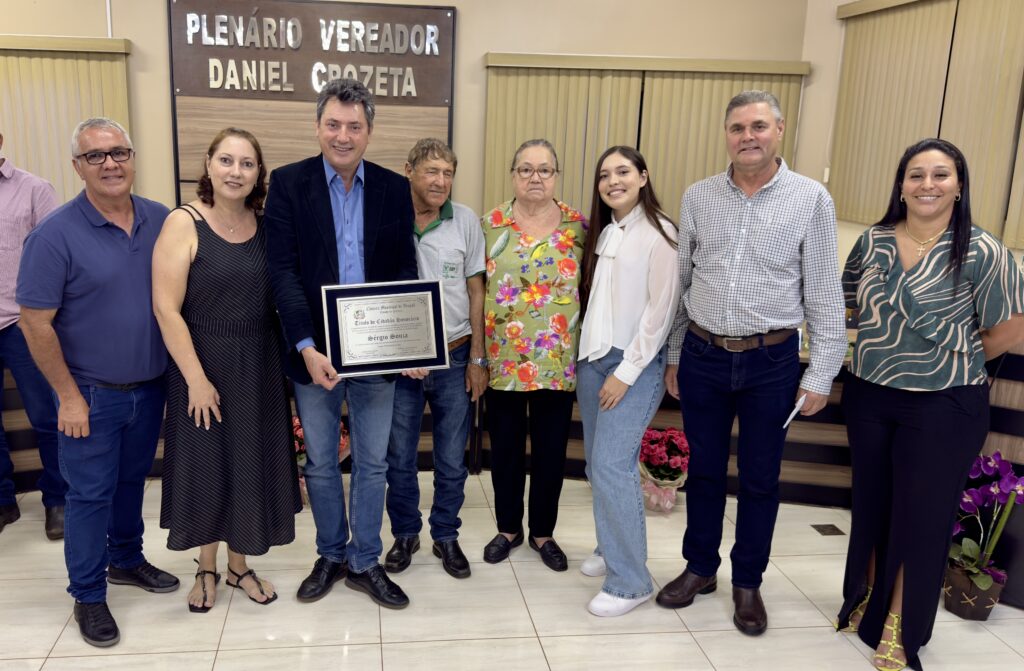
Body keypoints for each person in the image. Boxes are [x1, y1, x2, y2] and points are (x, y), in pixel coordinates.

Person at [657, 90, 846, 635]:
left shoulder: (811, 198)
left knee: (761, 478)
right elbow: (683, 282)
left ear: (779, 130)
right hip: (702, 355)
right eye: (738, 127)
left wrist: (820, 373)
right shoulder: (698, 197)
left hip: (772, 362)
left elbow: (824, 296)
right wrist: (674, 354)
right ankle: (700, 568)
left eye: (759, 126)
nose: (748, 136)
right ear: (726, 134)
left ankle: (748, 582)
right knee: (707, 472)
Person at [835, 138, 1024, 671]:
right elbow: (848, 306)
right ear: (901, 185)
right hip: (871, 394)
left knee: (921, 519)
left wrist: (957, 357)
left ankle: (900, 628)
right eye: (916, 175)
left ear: (959, 186)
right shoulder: (871, 242)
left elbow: (1010, 328)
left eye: (941, 175)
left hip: (945, 404)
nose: (927, 185)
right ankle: (866, 601)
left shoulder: (982, 250)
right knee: (873, 503)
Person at [16, 118, 178, 647]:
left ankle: (127, 560)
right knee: (88, 496)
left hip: (149, 387)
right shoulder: (54, 235)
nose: (110, 164)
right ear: (77, 167)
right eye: (96, 156)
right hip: (88, 395)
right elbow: (34, 322)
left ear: (132, 158)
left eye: (119, 152)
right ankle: (88, 594)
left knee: (132, 485)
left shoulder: (161, 220)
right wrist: (66, 396)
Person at [265, 78, 418, 609]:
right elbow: (282, 273)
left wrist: (408, 346)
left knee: (374, 463)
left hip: (375, 353)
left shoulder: (394, 188)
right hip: (316, 353)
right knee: (323, 464)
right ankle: (330, 553)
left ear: (369, 132)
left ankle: (365, 560)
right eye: (334, 124)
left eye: (354, 126)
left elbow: (403, 270)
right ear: (318, 127)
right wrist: (306, 345)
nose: (343, 135)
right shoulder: (288, 184)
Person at [153, 128, 302, 613]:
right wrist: (196, 379)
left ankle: (239, 567)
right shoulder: (184, 222)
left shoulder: (268, 223)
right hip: (203, 364)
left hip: (258, 364)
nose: (235, 171)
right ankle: (206, 566)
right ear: (209, 165)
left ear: (259, 173)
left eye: (246, 163)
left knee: (249, 464)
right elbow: (165, 309)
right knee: (207, 465)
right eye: (226, 160)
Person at [577, 146, 678, 616]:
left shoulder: (661, 234)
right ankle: (608, 547)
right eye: (604, 174)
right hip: (593, 360)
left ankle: (631, 580)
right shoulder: (605, 232)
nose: (612, 181)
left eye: (622, 172)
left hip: (631, 366)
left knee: (613, 466)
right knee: (598, 468)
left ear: (643, 176)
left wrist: (625, 372)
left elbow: (659, 316)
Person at [480, 138, 587, 572]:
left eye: (544, 169)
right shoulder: (490, 224)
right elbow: (475, 291)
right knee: (504, 448)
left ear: (556, 175)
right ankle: (508, 528)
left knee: (549, 451)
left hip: (558, 361)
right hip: (503, 358)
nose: (535, 177)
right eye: (526, 169)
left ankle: (543, 531)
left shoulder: (580, 226)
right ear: (513, 175)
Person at [383, 139, 486, 579]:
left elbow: (477, 292)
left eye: (448, 173)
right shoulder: (386, 218)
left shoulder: (464, 221)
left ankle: (446, 533)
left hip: (456, 357)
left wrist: (478, 357)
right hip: (402, 365)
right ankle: (405, 533)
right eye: (432, 172)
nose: (441, 181)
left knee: (450, 457)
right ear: (409, 170)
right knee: (399, 457)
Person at [0, 130, 66, 540]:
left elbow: (55, 257)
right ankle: (4, 501)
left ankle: (58, 500)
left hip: (22, 324)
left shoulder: (34, 190)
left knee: (47, 417)